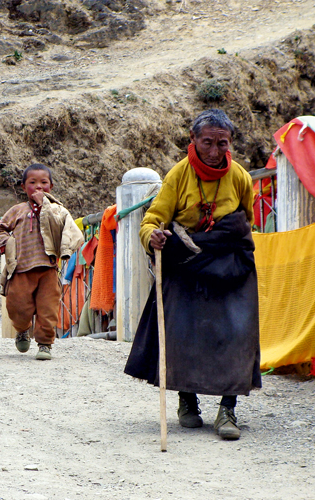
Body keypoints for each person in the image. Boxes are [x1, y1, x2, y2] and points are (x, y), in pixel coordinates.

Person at [124, 109, 261, 440]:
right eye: (207, 143)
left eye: (222, 144)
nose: (214, 152)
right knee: (182, 332)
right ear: (193, 140)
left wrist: (218, 242)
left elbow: (247, 222)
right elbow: (152, 220)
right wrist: (153, 237)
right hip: (187, 263)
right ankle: (188, 402)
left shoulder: (240, 176)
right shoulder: (178, 176)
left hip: (230, 265)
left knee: (237, 334)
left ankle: (228, 410)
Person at [0, 164, 84, 360]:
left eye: (44, 182)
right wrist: (8, 244)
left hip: (48, 270)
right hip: (21, 269)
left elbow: (73, 233)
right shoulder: (17, 210)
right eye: (32, 183)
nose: (38, 187)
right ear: (24, 187)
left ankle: (44, 344)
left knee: (48, 309)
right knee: (17, 307)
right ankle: (22, 329)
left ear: (51, 186)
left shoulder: (59, 210)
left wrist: (46, 207)